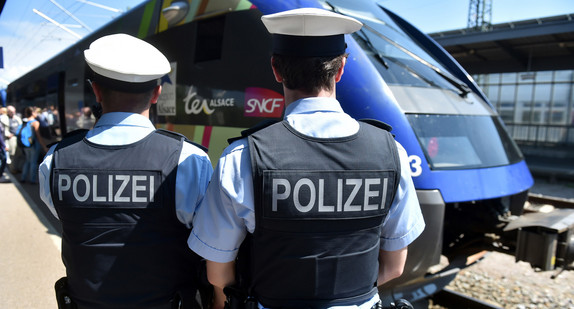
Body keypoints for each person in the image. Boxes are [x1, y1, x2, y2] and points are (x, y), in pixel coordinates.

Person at [188, 8, 425, 309]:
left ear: (276, 69)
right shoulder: (392, 153)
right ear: (340, 70)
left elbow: (218, 272)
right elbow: (394, 267)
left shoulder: (242, 157)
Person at [38, 33, 213, 309]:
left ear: (96, 90)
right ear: (157, 94)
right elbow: (209, 242)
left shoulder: (55, 161)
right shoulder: (188, 160)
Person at [20, 106, 48, 183]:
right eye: (35, 112)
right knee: (33, 162)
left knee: (27, 161)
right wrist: (44, 146)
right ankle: (32, 179)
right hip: (34, 145)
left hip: (25, 144)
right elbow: (38, 136)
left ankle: (23, 177)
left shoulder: (24, 121)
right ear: (32, 113)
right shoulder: (35, 122)